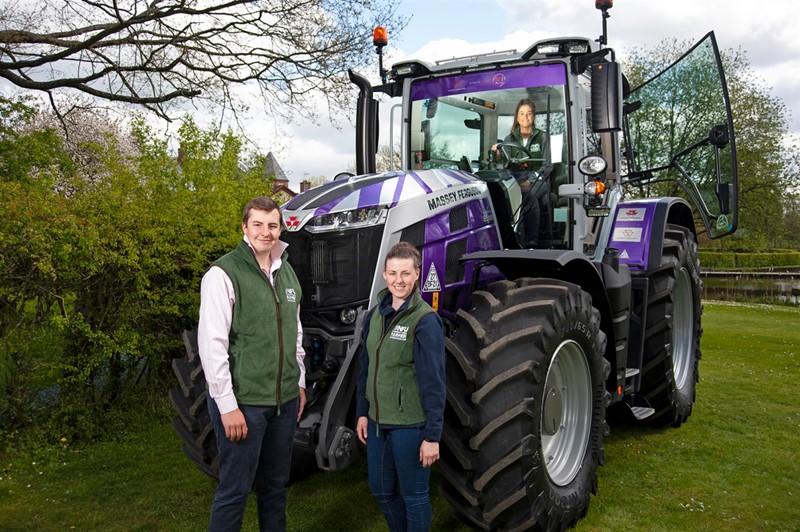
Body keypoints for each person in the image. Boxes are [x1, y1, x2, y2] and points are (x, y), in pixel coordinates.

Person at [197, 196, 306, 532]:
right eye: (257, 224)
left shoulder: (286, 271)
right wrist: (227, 405)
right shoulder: (223, 273)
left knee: (274, 489)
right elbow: (212, 344)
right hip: (245, 404)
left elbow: (295, 332)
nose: (265, 231)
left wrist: (298, 382)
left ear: (280, 228)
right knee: (235, 491)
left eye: (272, 225)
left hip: (284, 403)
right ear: (245, 227)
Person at [355, 242, 446, 532]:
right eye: (393, 273)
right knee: (381, 490)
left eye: (405, 273)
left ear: (417, 274)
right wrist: (362, 412)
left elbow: (434, 381)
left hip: (411, 426)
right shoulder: (374, 316)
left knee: (414, 496)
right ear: (384, 274)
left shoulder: (425, 320)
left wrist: (432, 435)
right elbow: (365, 368)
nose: (399, 280)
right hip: (378, 424)